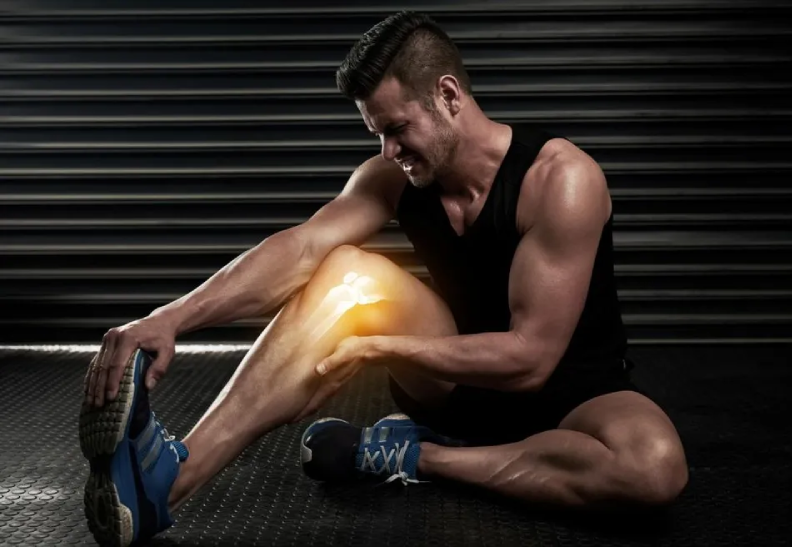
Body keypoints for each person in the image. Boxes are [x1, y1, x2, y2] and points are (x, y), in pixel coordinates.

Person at [78, 10, 688, 546]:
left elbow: (532, 359)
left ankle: (414, 456)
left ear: (448, 95)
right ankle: (170, 479)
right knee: (347, 271)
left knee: (653, 469)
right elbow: (299, 249)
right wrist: (171, 317)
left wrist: (380, 348)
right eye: (376, 132)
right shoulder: (392, 176)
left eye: (397, 129)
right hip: (453, 387)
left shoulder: (561, 179)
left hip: (575, 396)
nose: (388, 148)